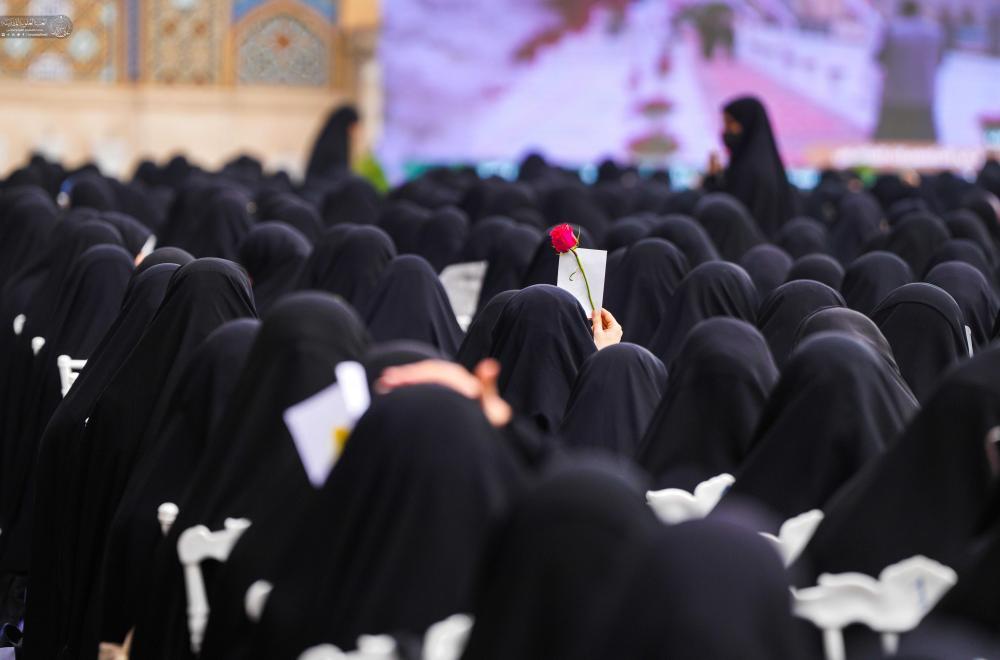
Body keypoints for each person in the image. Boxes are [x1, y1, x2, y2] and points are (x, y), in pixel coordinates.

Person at [708, 96, 793, 237]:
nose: (725, 130)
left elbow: (727, 218)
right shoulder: (766, 167)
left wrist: (712, 181)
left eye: (730, 123)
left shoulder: (748, 172)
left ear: (747, 124)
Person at [874, 1, 943, 142]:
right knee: (923, 147)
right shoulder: (933, 31)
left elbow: (880, 58)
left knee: (887, 146)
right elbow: (939, 60)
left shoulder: (892, 30)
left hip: (895, 98)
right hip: (923, 98)